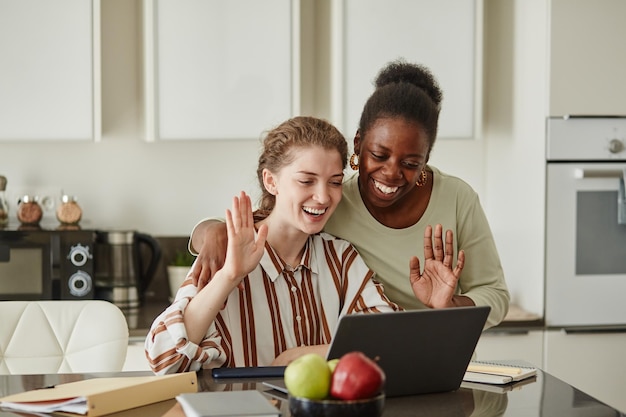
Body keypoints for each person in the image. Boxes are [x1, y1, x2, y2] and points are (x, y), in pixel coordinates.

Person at [188, 60, 510, 329]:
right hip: (367, 359)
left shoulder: (457, 199)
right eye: (379, 155)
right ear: (358, 146)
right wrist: (214, 231)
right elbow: (266, 219)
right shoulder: (332, 199)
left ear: (426, 159)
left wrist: (450, 305)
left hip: (443, 356)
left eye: (411, 163)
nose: (392, 173)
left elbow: (494, 294)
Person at [145, 116, 410, 375]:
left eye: (335, 182)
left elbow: (389, 342)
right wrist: (229, 276)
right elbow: (163, 360)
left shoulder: (340, 257)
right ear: (271, 181)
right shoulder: (229, 252)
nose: (323, 196)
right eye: (306, 181)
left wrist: (303, 355)